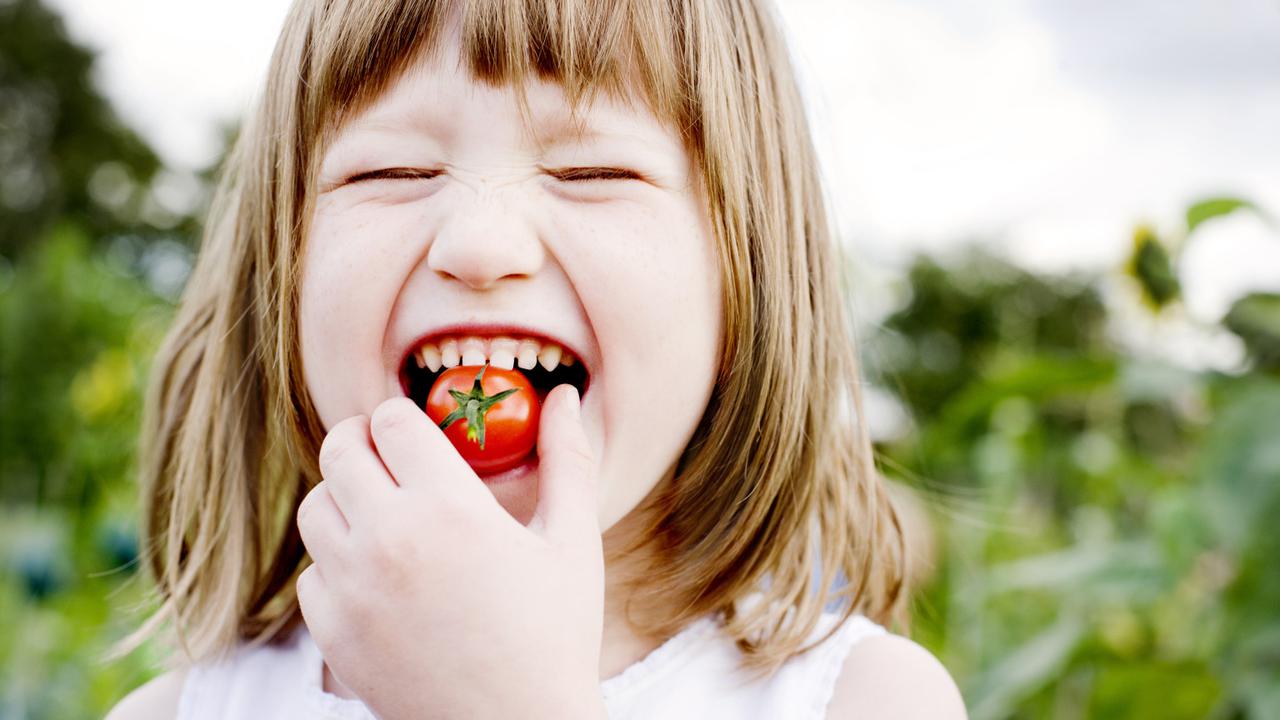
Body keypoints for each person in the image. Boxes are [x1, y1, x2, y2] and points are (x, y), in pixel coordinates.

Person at [108, 0, 965, 717]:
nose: (481, 245)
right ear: (282, 265)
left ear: (748, 269)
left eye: (593, 170)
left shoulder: (862, 700)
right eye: (393, 169)